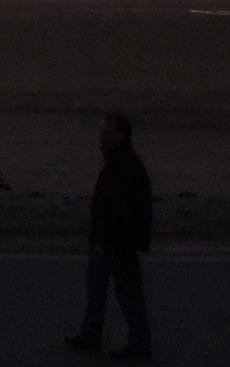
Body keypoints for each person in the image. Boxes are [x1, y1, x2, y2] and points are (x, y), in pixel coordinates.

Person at [65, 113, 153, 359]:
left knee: (126, 294)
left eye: (107, 133)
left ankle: (138, 343)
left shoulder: (125, 165)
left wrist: (104, 241)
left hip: (117, 241)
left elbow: (120, 209)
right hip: (113, 238)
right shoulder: (119, 162)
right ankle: (92, 336)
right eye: (101, 132)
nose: (101, 137)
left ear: (121, 135)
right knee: (99, 291)